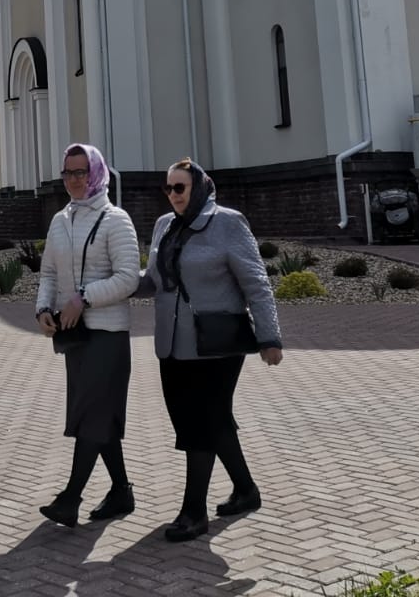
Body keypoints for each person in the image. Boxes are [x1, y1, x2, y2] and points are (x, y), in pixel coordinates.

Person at [135, 157, 283, 542]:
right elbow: (154, 281)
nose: (173, 195)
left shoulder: (228, 222)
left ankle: (193, 512)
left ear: (199, 186)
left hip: (216, 344)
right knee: (204, 422)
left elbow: (256, 283)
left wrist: (269, 338)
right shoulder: (164, 226)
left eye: (179, 187)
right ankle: (246, 490)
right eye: (167, 188)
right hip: (172, 343)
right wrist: (111, 286)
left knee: (204, 422)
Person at [34, 143, 141, 528]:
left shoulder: (117, 220)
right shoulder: (61, 221)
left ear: (96, 173)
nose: (75, 181)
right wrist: (44, 309)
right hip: (74, 335)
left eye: (81, 172)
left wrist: (84, 298)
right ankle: (121, 492)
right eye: (68, 173)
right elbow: (48, 274)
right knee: (100, 417)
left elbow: (129, 277)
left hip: (108, 335)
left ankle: (71, 497)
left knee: (93, 416)